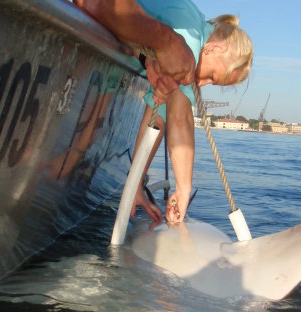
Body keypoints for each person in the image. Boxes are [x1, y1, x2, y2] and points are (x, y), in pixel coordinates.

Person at [75, 0, 253, 224]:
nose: (204, 84)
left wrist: (136, 185)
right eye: (212, 77)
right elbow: (179, 119)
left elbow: (157, 117)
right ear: (215, 48)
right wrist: (183, 188)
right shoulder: (188, 36)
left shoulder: (194, 30)